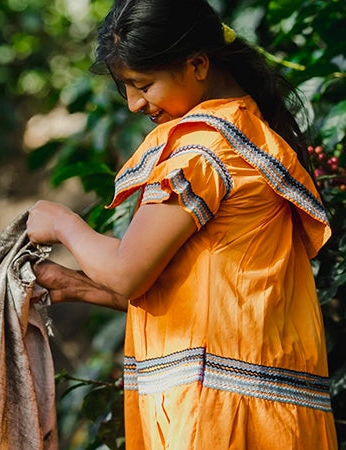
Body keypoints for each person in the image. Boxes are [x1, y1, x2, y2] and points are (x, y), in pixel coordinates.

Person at [25, 0, 338, 448]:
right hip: (260, 416)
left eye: (143, 84)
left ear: (197, 64)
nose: (134, 104)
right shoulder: (246, 137)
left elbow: (129, 273)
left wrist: (63, 224)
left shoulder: (202, 154)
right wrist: (76, 285)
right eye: (127, 88)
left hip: (218, 418)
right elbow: (216, 297)